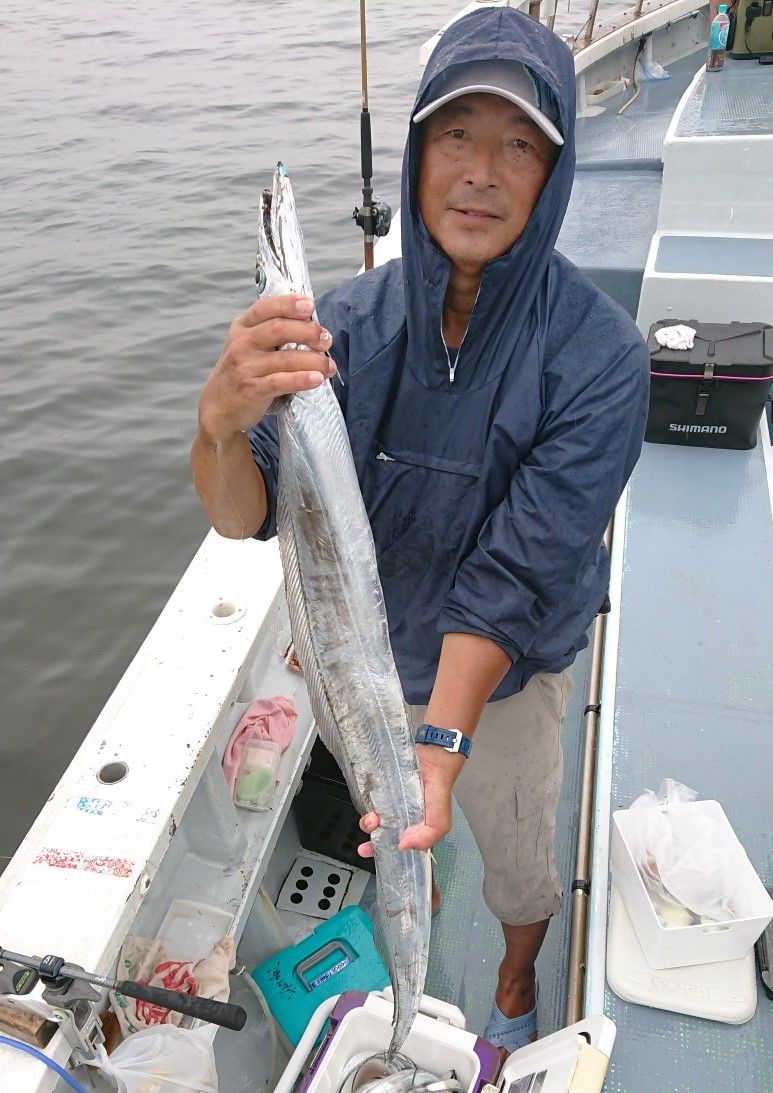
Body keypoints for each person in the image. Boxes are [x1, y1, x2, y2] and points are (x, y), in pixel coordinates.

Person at [191, 7, 649, 1055]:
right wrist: (218, 424)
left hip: (504, 676)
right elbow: (242, 514)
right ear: (417, 153)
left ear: (552, 175)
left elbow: (514, 574)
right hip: (361, 666)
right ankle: (411, 967)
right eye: (455, 135)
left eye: (518, 144)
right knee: (396, 837)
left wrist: (440, 743)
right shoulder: (341, 329)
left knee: (518, 858)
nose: (480, 171)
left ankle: (514, 972)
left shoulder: (599, 358)